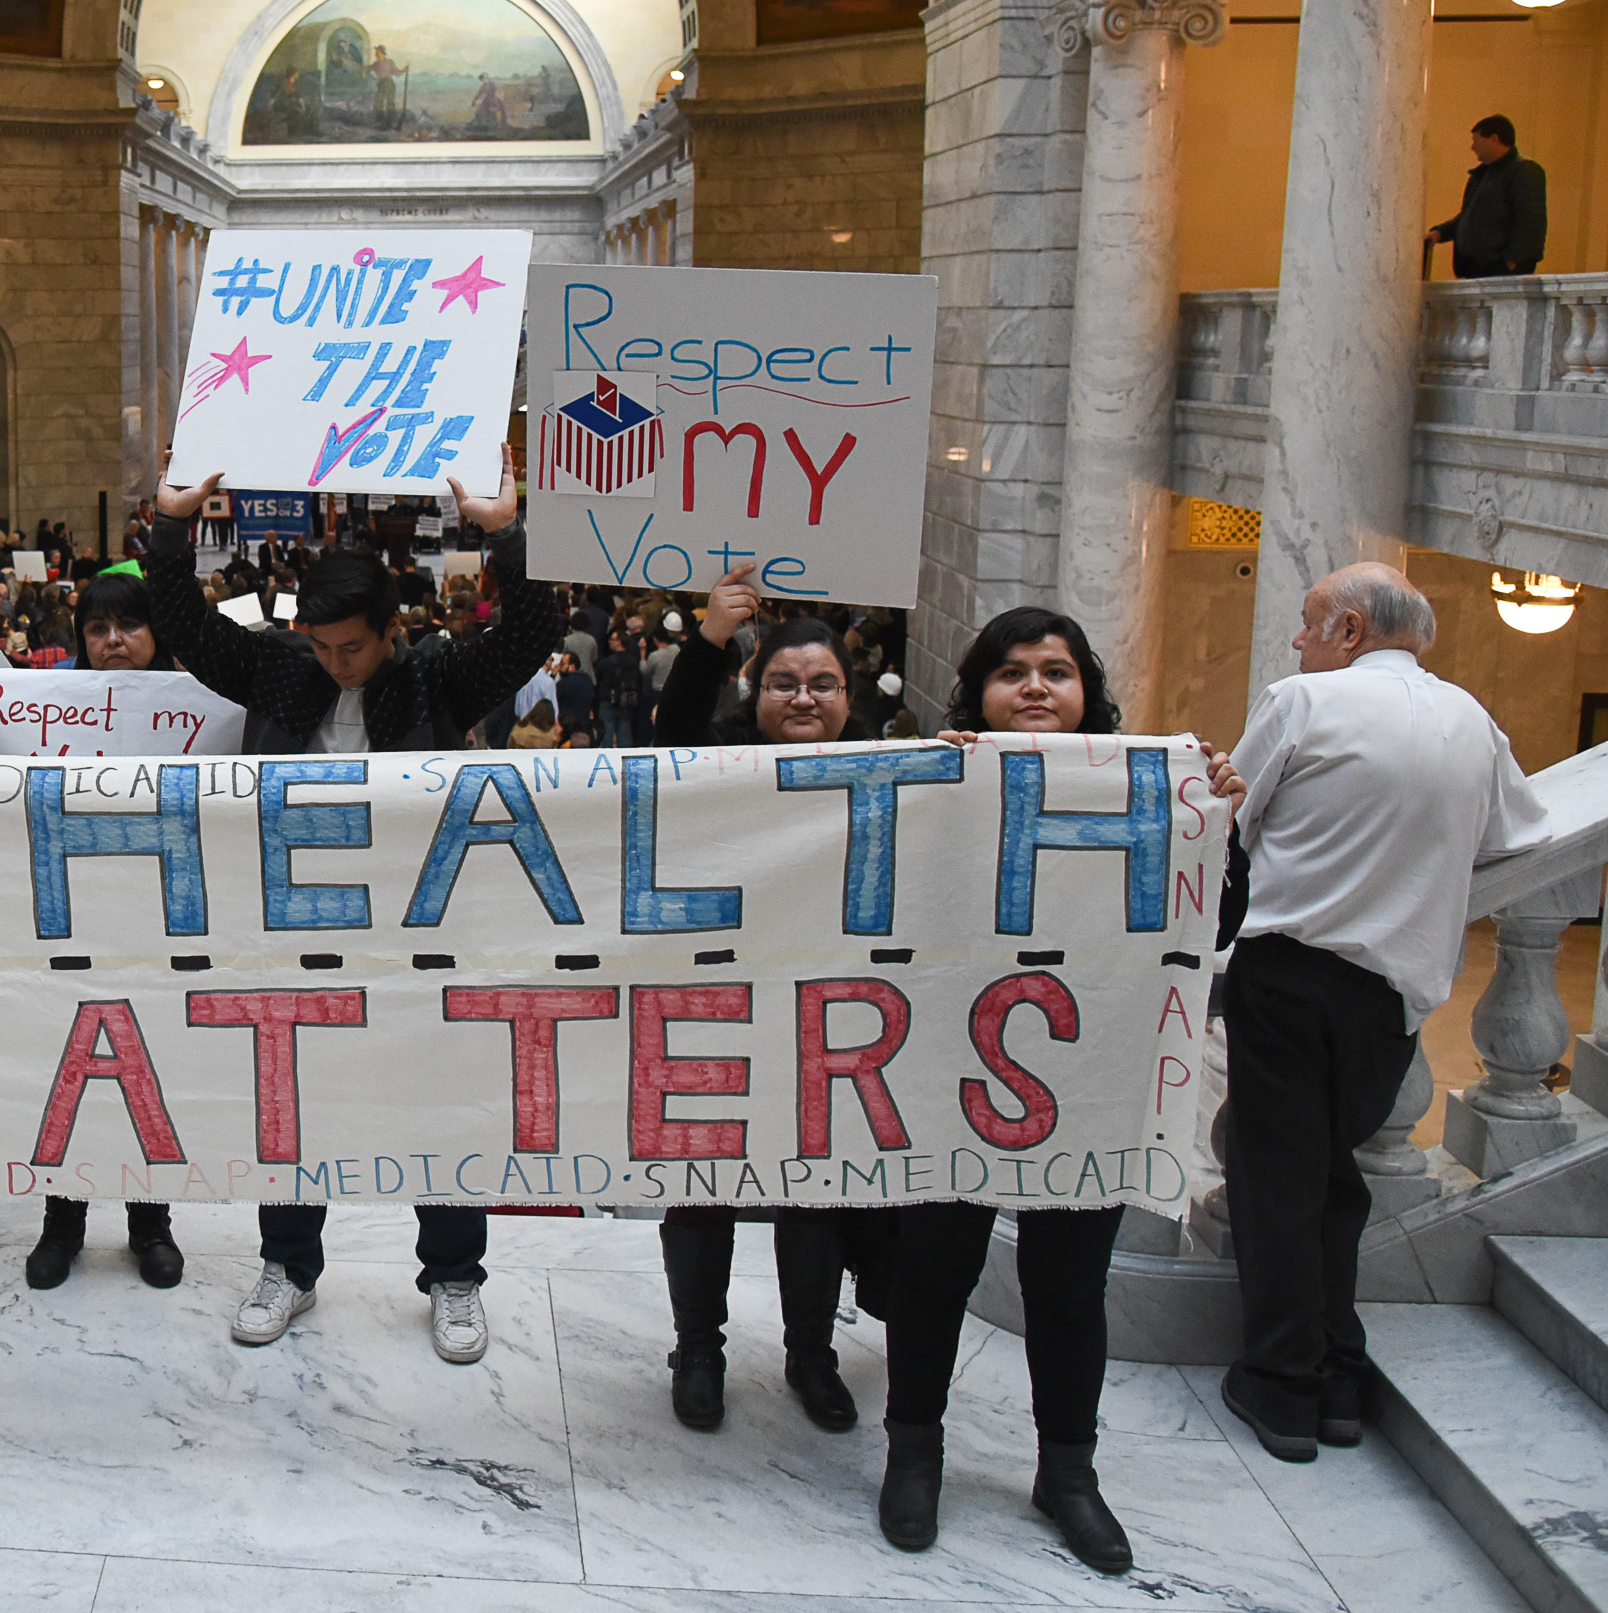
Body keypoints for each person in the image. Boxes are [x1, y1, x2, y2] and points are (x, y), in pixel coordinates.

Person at [147, 446, 561, 1365]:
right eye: (323, 646)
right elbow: (181, 620)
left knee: (438, 1097)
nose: (337, 664)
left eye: (354, 648)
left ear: (390, 630)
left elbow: (530, 630)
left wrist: (506, 534)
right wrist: (173, 525)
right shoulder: (278, 672)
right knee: (294, 1100)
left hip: (418, 934)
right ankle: (288, 1265)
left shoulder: (434, 680)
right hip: (299, 933)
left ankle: (454, 1277)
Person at [875, 606, 1246, 1570]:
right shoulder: (936, 778)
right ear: (978, 693)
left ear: (1089, 695)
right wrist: (930, 793)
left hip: (1090, 1077)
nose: (1035, 685)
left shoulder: (1147, 790)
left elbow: (1213, 924)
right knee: (934, 1270)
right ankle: (913, 1452)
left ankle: (1068, 1474)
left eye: (1056, 670)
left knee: (1069, 1285)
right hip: (949, 1072)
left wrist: (1220, 831)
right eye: (1011, 671)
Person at [1220, 563, 1546, 1463]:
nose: (1297, 640)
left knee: (1278, 1177)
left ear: (1352, 630)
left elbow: (1227, 819)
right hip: (1390, 996)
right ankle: (1336, 1377)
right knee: (1332, 1180)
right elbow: (1518, 835)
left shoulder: (1302, 702)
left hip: (1287, 973)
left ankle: (1284, 1386)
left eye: (1309, 622)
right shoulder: (1473, 722)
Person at [651, 562, 881, 1435]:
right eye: (783, 682)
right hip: (720, 1003)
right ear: (756, 689)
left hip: (834, 1014)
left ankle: (810, 1352)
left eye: (823, 683)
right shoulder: (719, 757)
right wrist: (710, 637)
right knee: (703, 1183)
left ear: (848, 693)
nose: (804, 697)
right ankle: (698, 1347)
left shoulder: (887, 764)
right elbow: (666, 734)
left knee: (815, 1193)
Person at [20, 570, 189, 1292]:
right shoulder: (46, 708)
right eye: (97, 629)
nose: (114, 641)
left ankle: (151, 1224)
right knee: (69, 1072)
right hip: (70, 916)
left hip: (158, 916)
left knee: (150, 1072)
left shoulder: (192, 706)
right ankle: (63, 1222)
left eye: (128, 626)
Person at [1426, 115, 1547, 277]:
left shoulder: (1524, 172)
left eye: (1476, 140)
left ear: (1494, 139)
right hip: (1473, 269)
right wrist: (1440, 232)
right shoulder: (1481, 176)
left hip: (1501, 270)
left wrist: (1512, 260)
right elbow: (1470, 217)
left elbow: (1530, 219)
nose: (1473, 147)